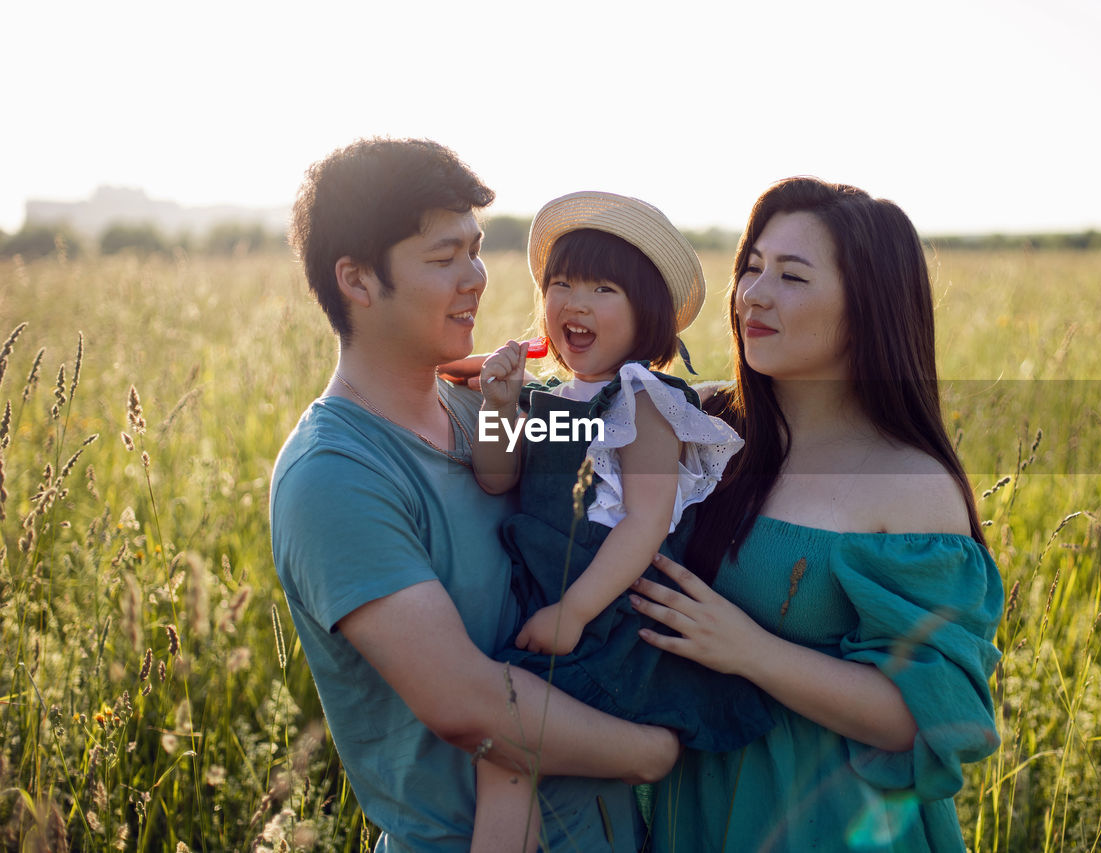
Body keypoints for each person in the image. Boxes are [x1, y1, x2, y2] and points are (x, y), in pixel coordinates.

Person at [269, 139, 678, 853]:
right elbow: (467, 705)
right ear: (358, 280)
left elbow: (613, 422)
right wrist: (655, 753)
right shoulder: (333, 475)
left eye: (478, 249)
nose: (477, 279)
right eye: (444, 257)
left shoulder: (479, 409)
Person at [629, 177, 1004, 852]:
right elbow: (573, 419)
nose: (754, 295)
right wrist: (490, 402)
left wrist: (748, 650)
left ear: (868, 306)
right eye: (752, 267)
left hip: (830, 821)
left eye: (793, 277)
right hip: (700, 809)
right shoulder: (706, 428)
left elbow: (924, 717)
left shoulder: (909, 484)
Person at [468, 192, 775, 853]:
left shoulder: (644, 401)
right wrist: (497, 404)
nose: (575, 301)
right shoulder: (546, 397)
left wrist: (575, 610)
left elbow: (645, 522)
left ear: (647, 316)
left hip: (607, 622)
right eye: (562, 283)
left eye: (603, 288)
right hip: (553, 607)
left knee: (504, 747)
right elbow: (495, 475)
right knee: (507, 758)